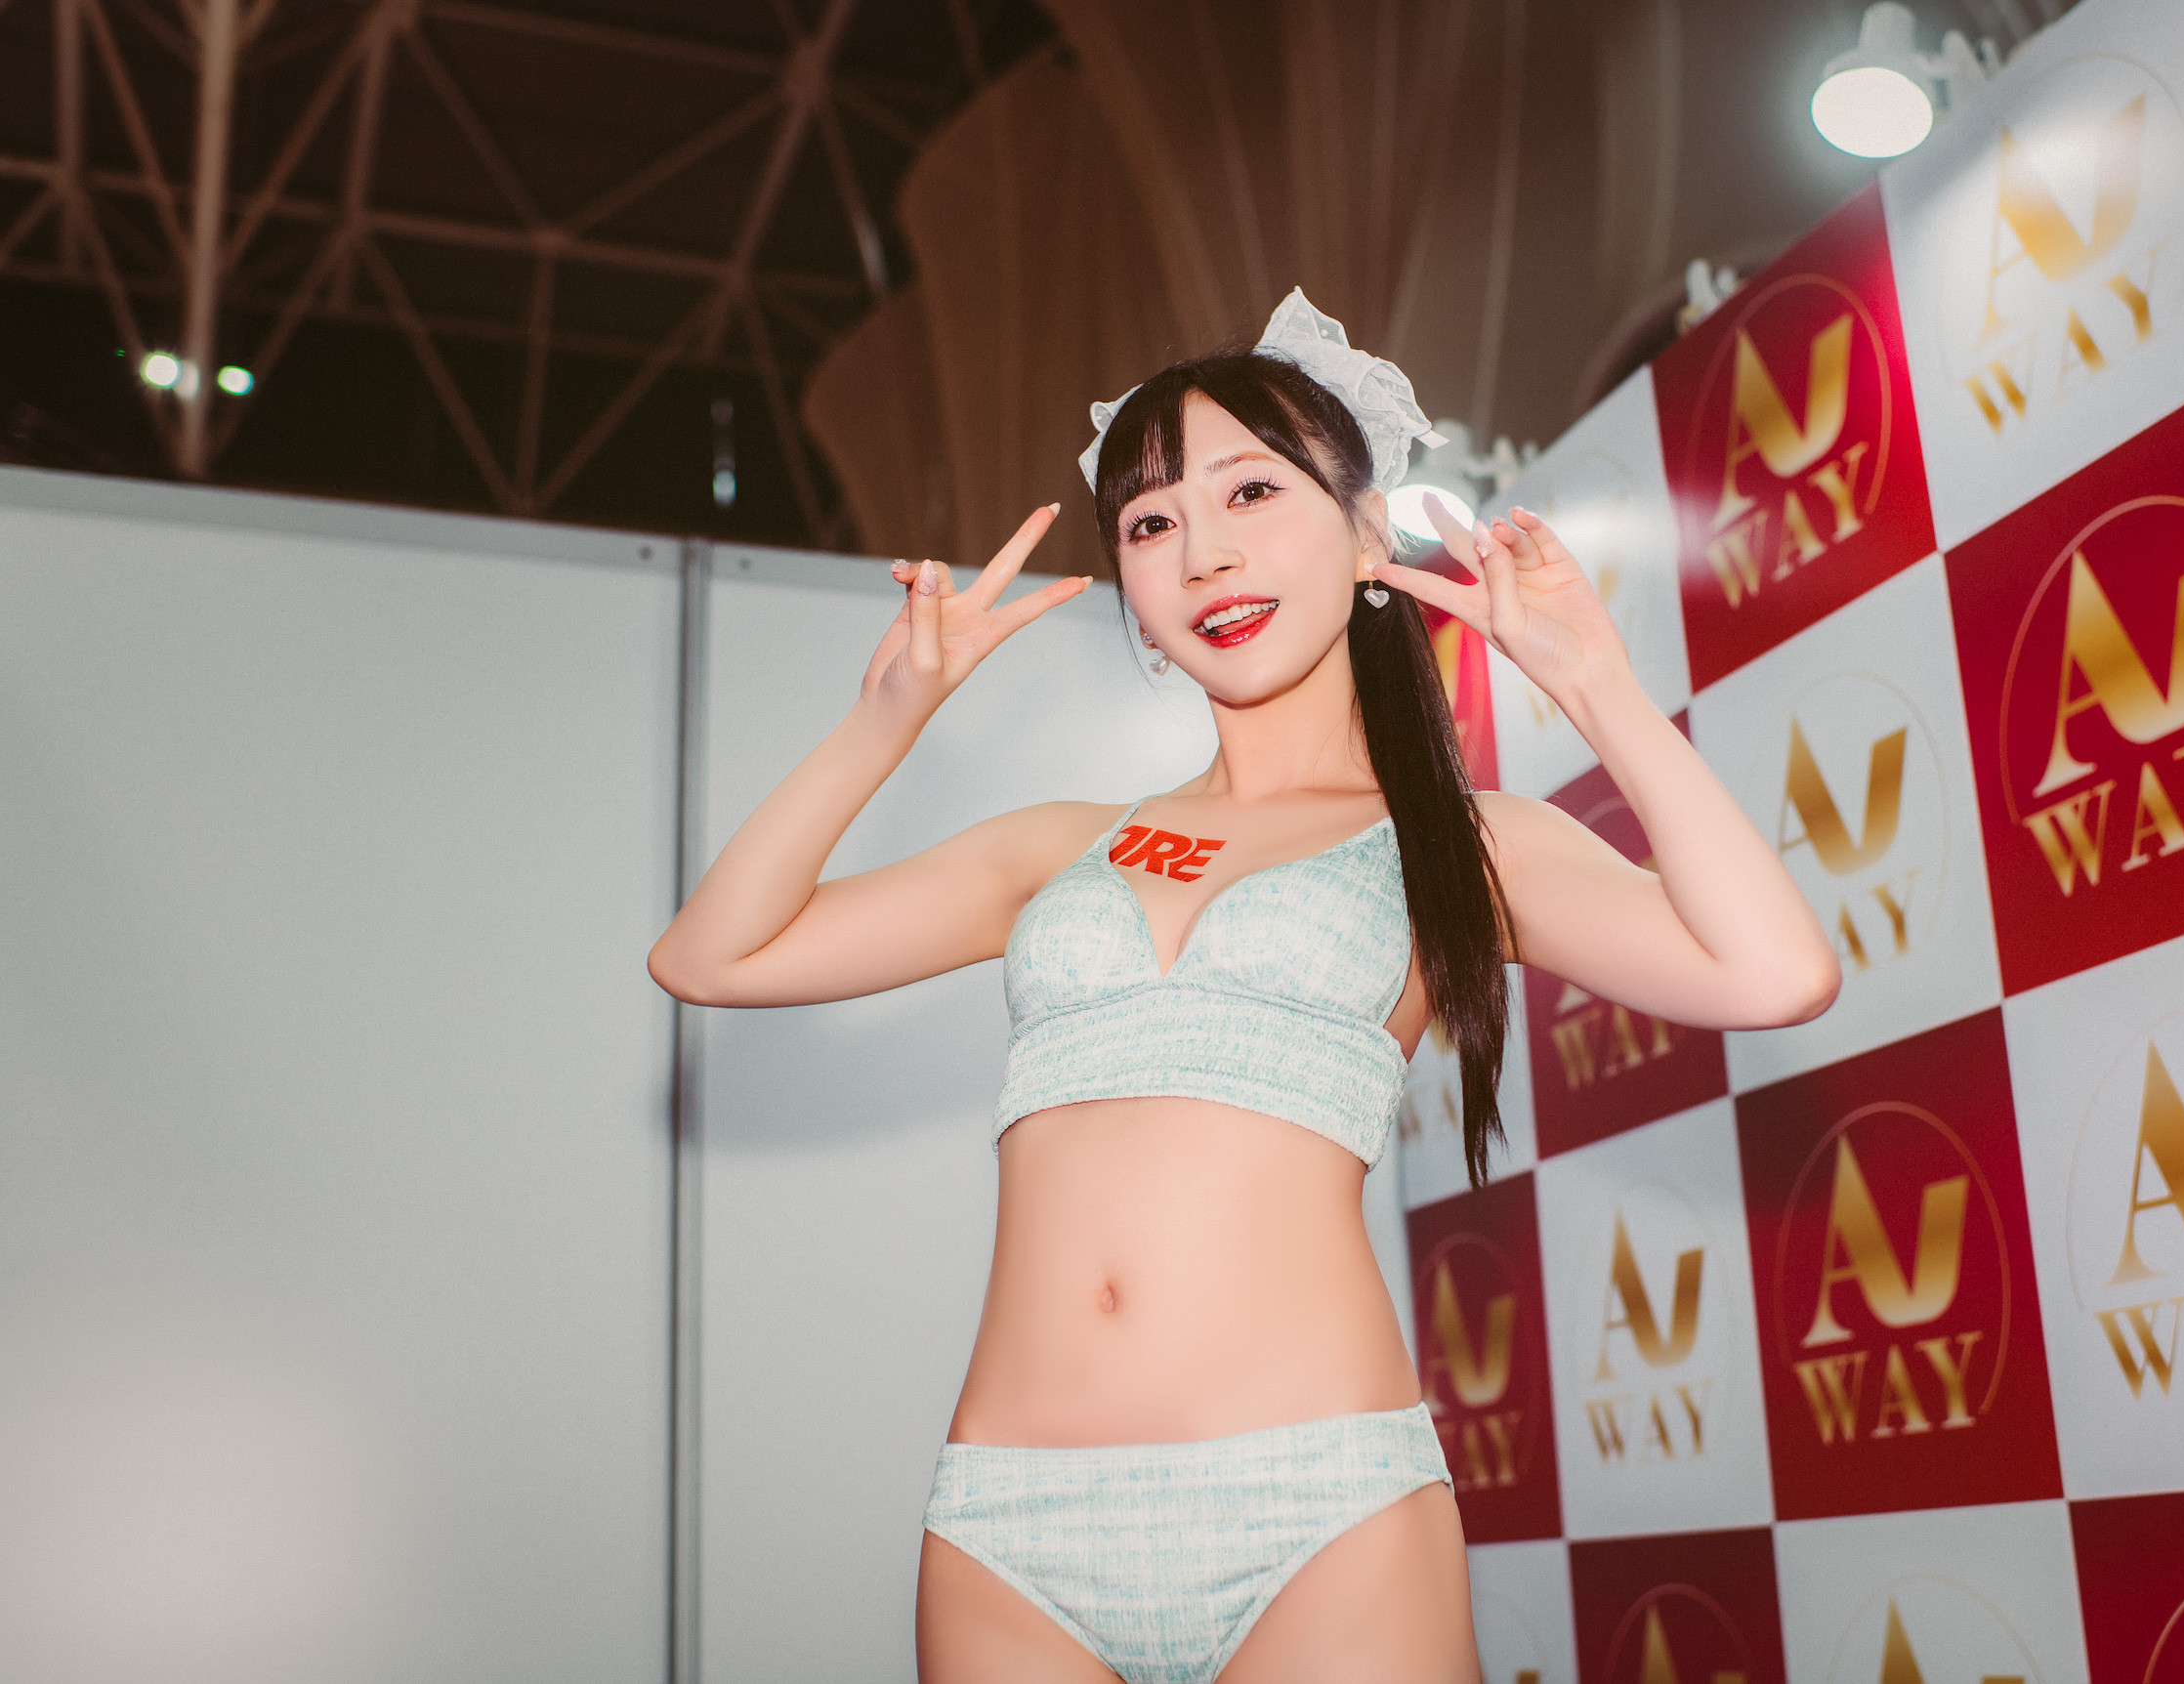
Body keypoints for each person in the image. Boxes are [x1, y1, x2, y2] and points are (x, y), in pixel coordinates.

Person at [646, 289, 1839, 1684]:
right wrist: (884, 721)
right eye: (1150, 522)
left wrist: (1600, 692)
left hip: (1320, 1515)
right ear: (1137, 598)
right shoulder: (1059, 846)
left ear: (1366, 533)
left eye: (1252, 492)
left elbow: (1774, 971)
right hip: (1011, 1529)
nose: (1203, 551)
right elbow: (711, 954)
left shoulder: (1458, 846)